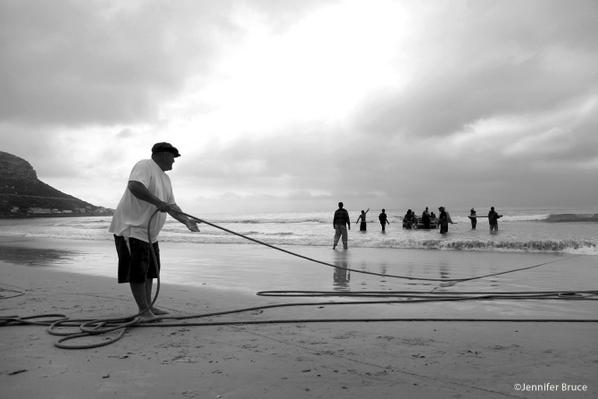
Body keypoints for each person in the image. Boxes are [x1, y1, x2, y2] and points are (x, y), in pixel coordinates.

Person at [109, 142, 199, 321]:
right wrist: (158, 202)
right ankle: (143, 311)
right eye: (173, 156)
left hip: (150, 234)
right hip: (132, 229)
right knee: (138, 272)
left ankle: (148, 307)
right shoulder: (145, 165)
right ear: (163, 154)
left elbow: (171, 205)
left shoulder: (166, 179)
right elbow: (134, 186)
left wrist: (186, 221)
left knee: (151, 271)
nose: (174, 161)